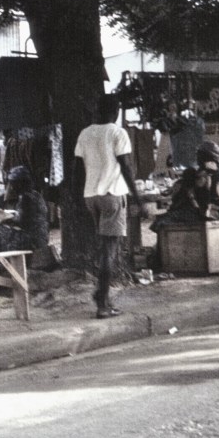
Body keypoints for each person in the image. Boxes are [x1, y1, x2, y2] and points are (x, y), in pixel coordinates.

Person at [74, 93, 141, 319]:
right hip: (112, 195)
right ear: (116, 111)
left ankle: (101, 294)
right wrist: (137, 197)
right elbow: (126, 166)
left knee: (104, 247)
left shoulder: (85, 133)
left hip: (91, 196)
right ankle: (102, 301)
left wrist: (79, 197)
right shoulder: (117, 132)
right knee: (109, 251)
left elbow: (77, 169)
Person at [0, 165, 54, 267]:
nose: (10, 187)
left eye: (12, 183)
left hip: (32, 240)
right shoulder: (36, 195)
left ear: (19, 184)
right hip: (41, 237)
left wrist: (4, 218)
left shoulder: (26, 198)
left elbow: (21, 221)